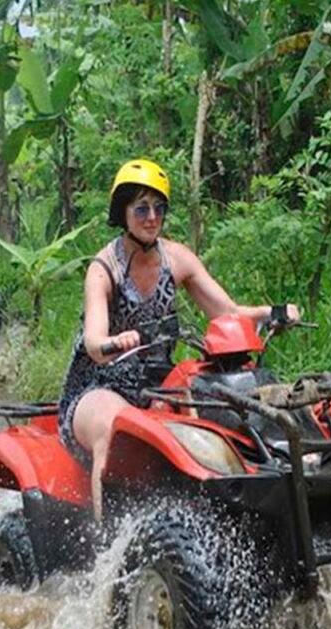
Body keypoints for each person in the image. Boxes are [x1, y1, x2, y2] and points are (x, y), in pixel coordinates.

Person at [58, 158, 300, 522]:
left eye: (159, 208)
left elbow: (227, 311)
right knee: (114, 429)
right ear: (122, 212)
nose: (151, 217)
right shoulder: (103, 268)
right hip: (99, 384)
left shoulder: (177, 258)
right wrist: (115, 341)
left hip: (158, 382)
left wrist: (272, 312)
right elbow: (94, 341)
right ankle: (104, 544)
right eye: (141, 208)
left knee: (225, 417)